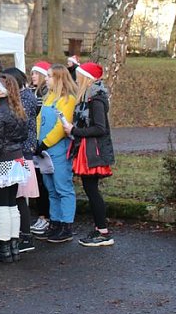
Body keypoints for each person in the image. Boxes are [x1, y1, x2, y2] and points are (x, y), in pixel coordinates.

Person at [63, 62, 116, 247]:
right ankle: (100, 229)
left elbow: (100, 128)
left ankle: (103, 232)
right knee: (90, 189)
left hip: (92, 150)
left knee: (92, 190)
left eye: (79, 75)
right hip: (88, 149)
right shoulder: (90, 96)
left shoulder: (95, 99)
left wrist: (74, 130)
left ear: (86, 78)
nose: (76, 78)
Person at [0, 73, 29, 263]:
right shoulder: (18, 111)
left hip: (2, 163)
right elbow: (23, 137)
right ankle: (13, 247)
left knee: (1, 206)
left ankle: (5, 248)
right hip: (17, 161)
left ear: (2, 90)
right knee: (12, 204)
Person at [34, 64, 77, 243]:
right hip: (44, 151)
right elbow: (39, 120)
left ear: (59, 78)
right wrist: (36, 141)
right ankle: (55, 222)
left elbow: (61, 126)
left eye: (50, 76)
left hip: (58, 151)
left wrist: (45, 143)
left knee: (63, 187)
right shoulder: (48, 97)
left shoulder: (67, 99)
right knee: (51, 189)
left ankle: (66, 225)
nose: (46, 79)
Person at [1, 67, 40, 253]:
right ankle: (21, 234)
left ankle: (25, 236)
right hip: (22, 150)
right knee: (16, 196)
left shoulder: (25, 99)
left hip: (22, 151)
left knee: (19, 196)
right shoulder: (26, 97)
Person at [28, 62, 52, 235]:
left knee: (45, 184)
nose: (33, 76)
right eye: (32, 73)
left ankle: (46, 217)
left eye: (36, 73)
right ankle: (42, 215)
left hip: (43, 144)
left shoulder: (45, 95)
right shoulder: (32, 92)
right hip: (33, 142)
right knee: (37, 182)